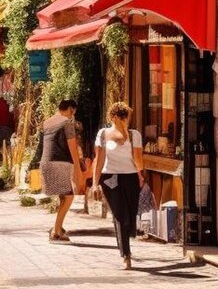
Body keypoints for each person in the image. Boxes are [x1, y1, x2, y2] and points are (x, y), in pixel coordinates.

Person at [93, 102, 144, 269]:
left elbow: (138, 161)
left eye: (126, 116)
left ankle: (126, 238)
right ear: (112, 117)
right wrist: (95, 183)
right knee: (121, 214)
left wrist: (140, 174)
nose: (124, 119)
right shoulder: (103, 134)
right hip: (110, 178)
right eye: (121, 116)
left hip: (130, 177)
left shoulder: (134, 134)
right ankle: (126, 255)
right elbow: (99, 160)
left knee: (130, 215)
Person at [40, 99, 85, 242]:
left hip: (46, 162)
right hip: (60, 163)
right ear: (70, 110)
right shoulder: (67, 123)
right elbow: (72, 146)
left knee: (63, 197)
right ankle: (56, 231)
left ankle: (58, 230)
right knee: (69, 196)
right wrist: (77, 168)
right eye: (73, 112)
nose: (72, 115)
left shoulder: (47, 122)